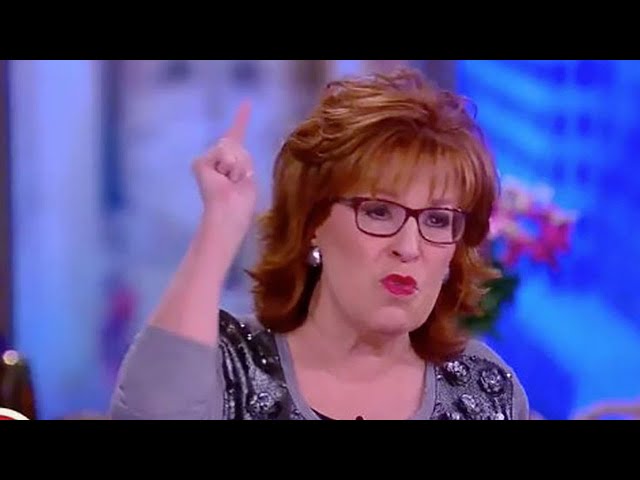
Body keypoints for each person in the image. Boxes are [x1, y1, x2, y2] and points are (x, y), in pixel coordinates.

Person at [109, 68, 529, 420]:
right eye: (378, 212)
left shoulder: (484, 391)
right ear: (313, 222)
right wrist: (220, 224)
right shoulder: (231, 366)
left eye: (437, 220)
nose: (408, 246)